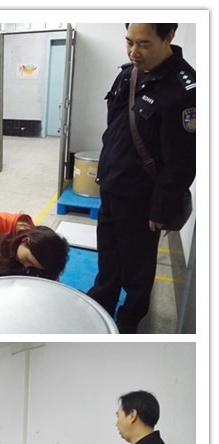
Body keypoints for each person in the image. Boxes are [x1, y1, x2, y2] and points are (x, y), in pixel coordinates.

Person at [87, 24, 196, 333]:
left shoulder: (184, 90)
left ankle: (130, 318)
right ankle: (102, 301)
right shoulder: (128, 74)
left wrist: (161, 208)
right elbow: (115, 128)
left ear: (168, 37)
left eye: (144, 44)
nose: (134, 52)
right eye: (129, 42)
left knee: (138, 264)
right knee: (108, 252)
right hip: (112, 184)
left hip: (142, 197)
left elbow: (183, 161)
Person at [0, 217, 69, 291]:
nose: (26, 265)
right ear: (26, 240)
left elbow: (53, 276)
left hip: (14, 274)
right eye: (28, 260)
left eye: (32, 266)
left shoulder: (45, 243)